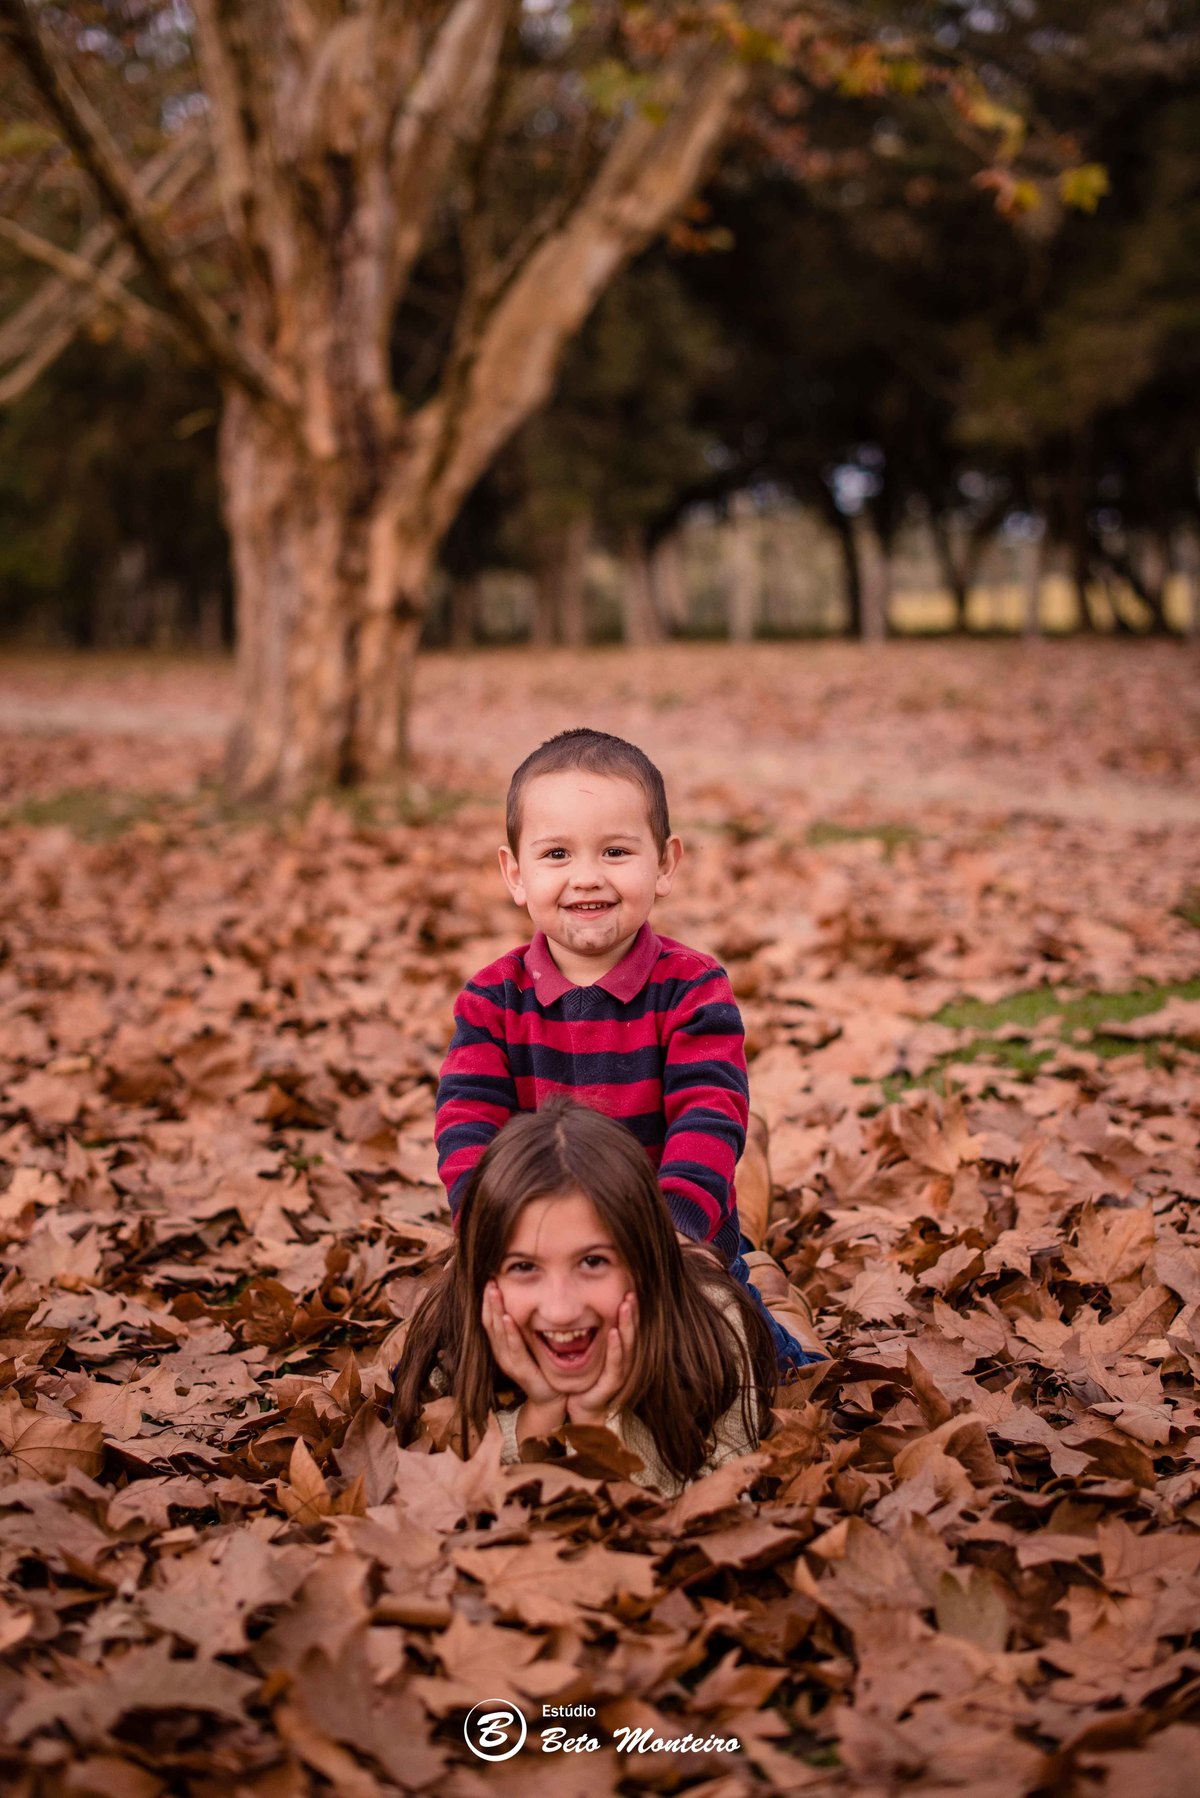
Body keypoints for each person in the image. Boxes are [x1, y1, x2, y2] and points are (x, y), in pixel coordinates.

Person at [434, 726, 823, 1375]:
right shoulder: (492, 999)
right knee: (450, 1363)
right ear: (515, 873)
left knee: (737, 1361)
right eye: (556, 854)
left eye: (615, 851)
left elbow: (708, 1112)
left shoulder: (693, 989)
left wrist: (675, 1232)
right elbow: (466, 1122)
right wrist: (488, 1233)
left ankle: (781, 1320)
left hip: (670, 1244)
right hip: (544, 1253)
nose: (587, 877)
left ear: (665, 864)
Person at [392, 1103, 778, 1496]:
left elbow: (729, 1487)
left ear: (644, 1261)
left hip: (695, 1270)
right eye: (524, 1267)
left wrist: (597, 1423)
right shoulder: (455, 1319)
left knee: (756, 1266)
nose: (561, 1310)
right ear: (485, 1275)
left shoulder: (712, 1315)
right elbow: (434, 1463)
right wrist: (538, 1414)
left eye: (593, 1261)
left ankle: (755, 1155)